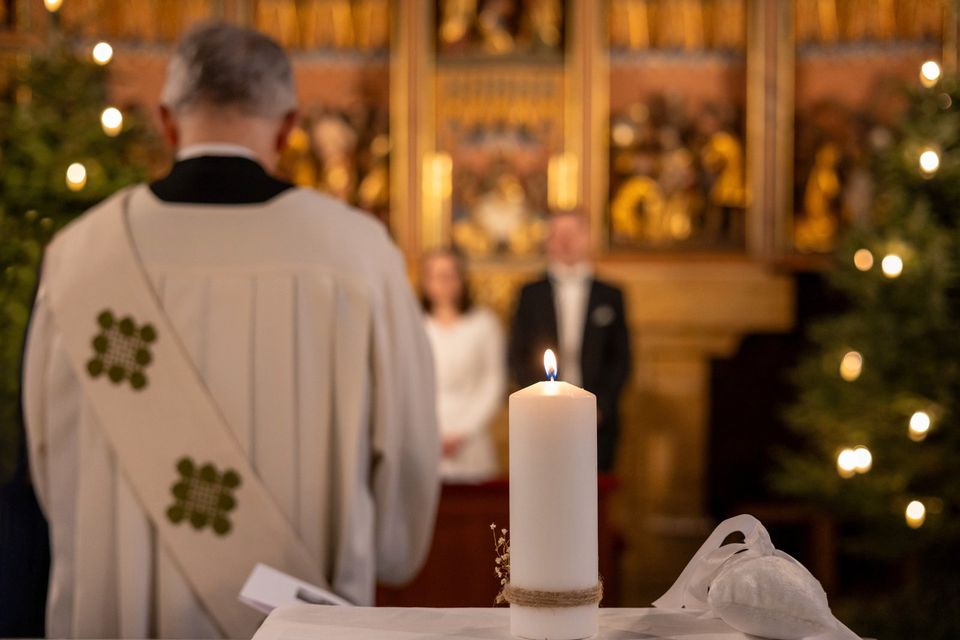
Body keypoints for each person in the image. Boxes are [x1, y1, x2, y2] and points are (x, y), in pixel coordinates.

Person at [21, 23, 439, 639]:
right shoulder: (357, 255)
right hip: (302, 618)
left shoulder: (80, 256)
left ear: (166, 121)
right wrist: (390, 548)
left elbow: (49, 464)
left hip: (118, 608)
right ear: (289, 125)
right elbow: (404, 452)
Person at [509, 210, 631, 473]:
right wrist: (539, 405)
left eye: (571, 234)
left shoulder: (610, 295)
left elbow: (620, 358)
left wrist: (601, 407)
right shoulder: (530, 294)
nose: (564, 242)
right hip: (541, 419)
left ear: (587, 238)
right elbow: (517, 354)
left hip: (599, 421)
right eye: (556, 235)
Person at [421, 249, 505, 482]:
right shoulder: (415, 325)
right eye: (436, 276)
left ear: (461, 279)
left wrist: (464, 431)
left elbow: (492, 381)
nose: (443, 284)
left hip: (471, 436)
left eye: (449, 276)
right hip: (425, 432)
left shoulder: (484, 324)